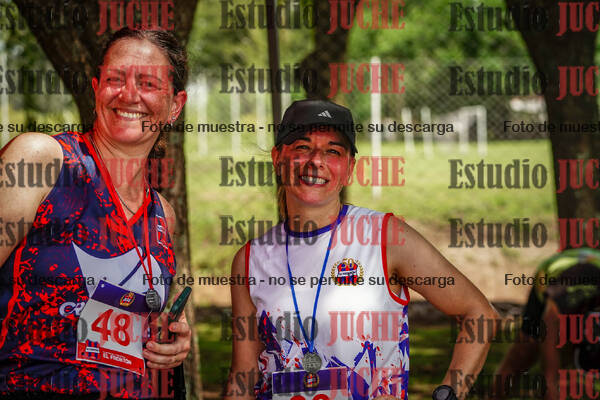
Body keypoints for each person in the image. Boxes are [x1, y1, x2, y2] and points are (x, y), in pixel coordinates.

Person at [226, 99, 499, 400]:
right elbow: (243, 375)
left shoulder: (385, 237)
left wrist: (448, 394)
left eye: (333, 151)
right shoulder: (250, 259)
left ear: (349, 169)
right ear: (278, 158)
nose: (316, 161)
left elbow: (479, 314)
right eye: (303, 147)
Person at [0, 28, 191, 399]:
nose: (129, 95)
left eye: (148, 83)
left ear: (175, 105)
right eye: (115, 79)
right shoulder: (43, 160)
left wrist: (171, 342)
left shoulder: (162, 215)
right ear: (96, 89)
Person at [493, 248, 600, 400]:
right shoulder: (570, 292)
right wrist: (551, 381)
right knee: (523, 354)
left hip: (588, 271)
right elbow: (548, 325)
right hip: (552, 275)